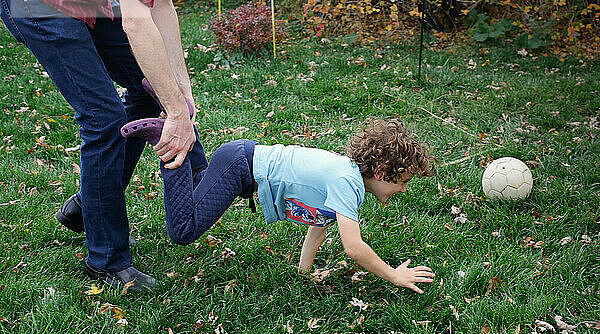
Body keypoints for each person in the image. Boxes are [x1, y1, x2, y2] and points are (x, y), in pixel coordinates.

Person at [0, 0, 200, 291]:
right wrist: (177, 112)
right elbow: (137, 21)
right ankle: (107, 262)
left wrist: (181, 93)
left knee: (145, 89)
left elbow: (161, 5)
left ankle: (88, 206)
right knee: (103, 119)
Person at [122, 111, 437, 293]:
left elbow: (319, 224)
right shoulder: (347, 182)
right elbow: (353, 248)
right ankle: (168, 145)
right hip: (240, 167)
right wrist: (393, 275)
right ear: (382, 171)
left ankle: (182, 120)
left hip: (240, 162)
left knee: (197, 189)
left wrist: (304, 272)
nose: (404, 191)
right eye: (403, 182)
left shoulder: (346, 180)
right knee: (182, 229)